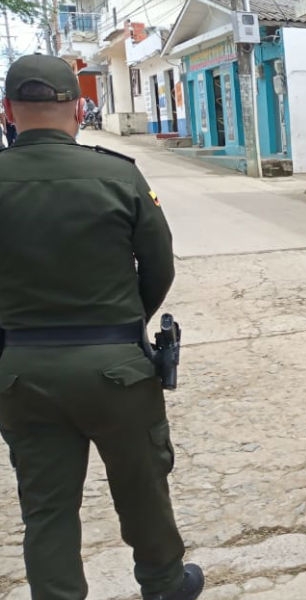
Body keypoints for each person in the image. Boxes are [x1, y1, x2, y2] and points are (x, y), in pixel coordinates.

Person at [0, 54, 204, 600]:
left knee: (45, 505)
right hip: (114, 367)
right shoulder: (117, 174)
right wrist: (122, 323)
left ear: (7, 110)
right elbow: (159, 265)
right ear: (78, 108)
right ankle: (164, 584)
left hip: (21, 371)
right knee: (141, 485)